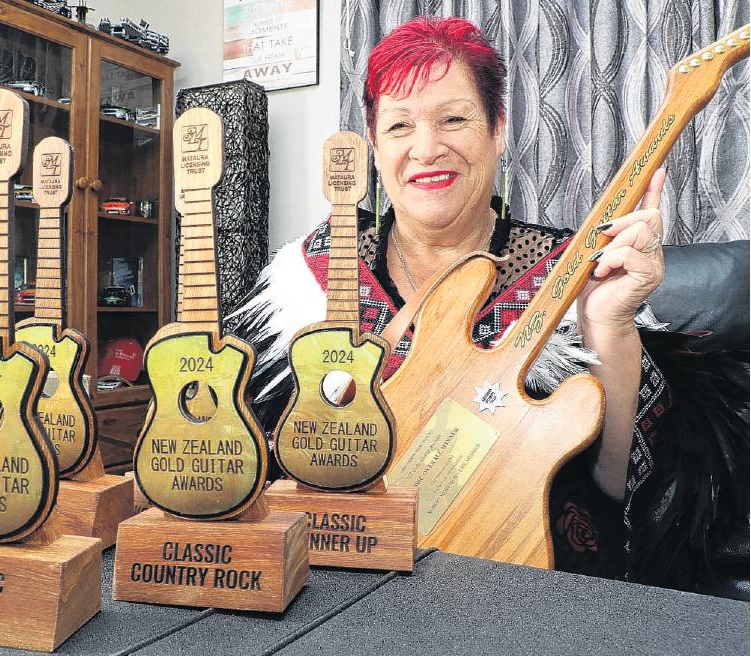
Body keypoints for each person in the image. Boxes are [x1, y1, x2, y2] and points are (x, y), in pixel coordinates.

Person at [228, 16, 746, 591]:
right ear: (375, 148)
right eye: (400, 126)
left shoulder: (572, 271)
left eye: (454, 118)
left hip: (515, 586)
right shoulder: (312, 274)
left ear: (498, 130)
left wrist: (610, 327)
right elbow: (248, 460)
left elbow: (622, 498)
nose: (427, 149)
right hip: (329, 581)